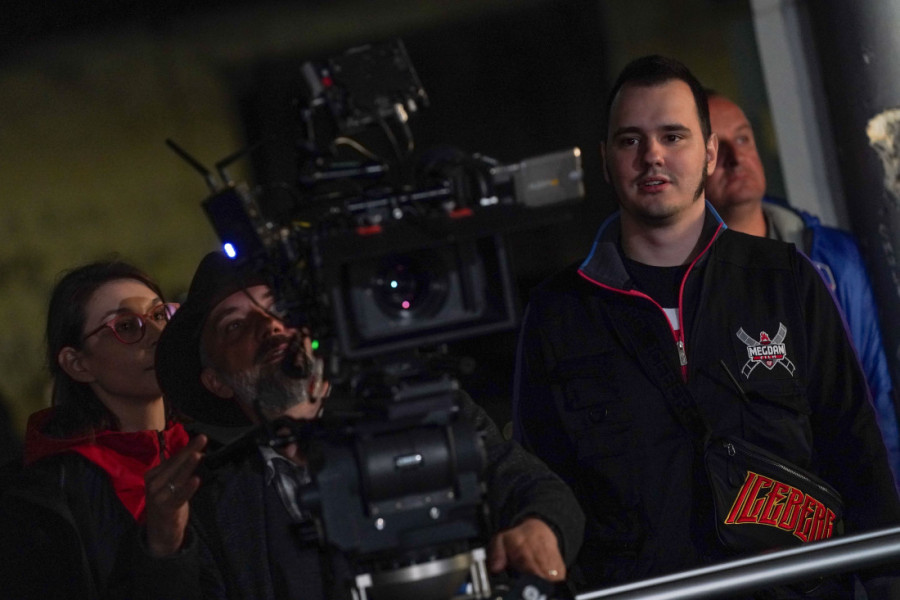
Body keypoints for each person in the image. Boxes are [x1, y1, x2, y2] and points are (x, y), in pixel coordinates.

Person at [512, 55, 900, 598]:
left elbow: (857, 453)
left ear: (709, 152)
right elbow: (541, 484)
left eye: (673, 136)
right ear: (605, 160)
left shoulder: (786, 279)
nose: (652, 155)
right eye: (630, 140)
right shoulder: (559, 313)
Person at [145, 251, 585, 599]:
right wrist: (164, 545)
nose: (269, 325)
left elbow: (532, 487)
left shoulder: (419, 411)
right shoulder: (212, 502)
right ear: (216, 381)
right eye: (235, 324)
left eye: (279, 306)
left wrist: (539, 527)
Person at [704, 91, 900, 486]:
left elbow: (874, 394)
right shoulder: (691, 285)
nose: (736, 157)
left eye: (743, 138)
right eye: (716, 148)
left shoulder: (832, 256)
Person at [0, 260, 204, 599]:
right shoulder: (41, 499)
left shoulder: (215, 451)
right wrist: (161, 547)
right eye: (126, 326)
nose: (157, 335)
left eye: (159, 315)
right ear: (78, 364)